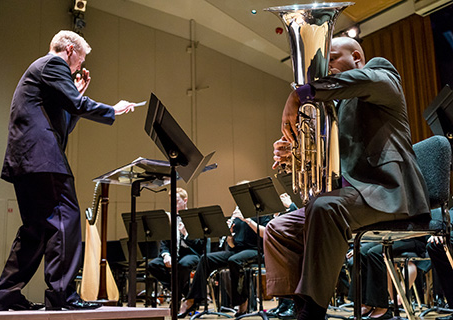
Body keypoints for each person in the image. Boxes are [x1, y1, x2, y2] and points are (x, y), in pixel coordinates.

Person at [264, 36, 430, 320]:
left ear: (356, 57)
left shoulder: (381, 75)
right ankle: (298, 306)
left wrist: (299, 94)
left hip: (390, 192)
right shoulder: (337, 109)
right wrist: (295, 155)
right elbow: (330, 164)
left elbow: (363, 80)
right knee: (279, 227)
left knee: (325, 207)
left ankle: (313, 312)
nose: (325, 69)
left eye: (330, 59)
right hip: (358, 198)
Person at [0, 30, 137, 311]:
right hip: (42, 158)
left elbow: (65, 123)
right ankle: (62, 295)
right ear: (69, 50)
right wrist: (112, 109)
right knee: (65, 220)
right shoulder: (53, 64)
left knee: (36, 230)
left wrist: (77, 96)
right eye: (79, 62)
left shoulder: (44, 75)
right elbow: (74, 104)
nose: (79, 69)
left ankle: (5, 294)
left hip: (27, 161)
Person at [178, 205, 272, 318]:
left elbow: (265, 233)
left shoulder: (261, 213)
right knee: (205, 258)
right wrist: (229, 235)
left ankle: (242, 302)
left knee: (234, 260)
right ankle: (192, 300)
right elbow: (232, 245)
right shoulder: (237, 217)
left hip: (255, 250)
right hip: (237, 251)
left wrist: (247, 220)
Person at [148, 188, 203, 305]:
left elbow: (200, 245)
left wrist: (186, 235)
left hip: (191, 253)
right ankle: (181, 293)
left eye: (177, 201)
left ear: (185, 200)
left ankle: (177, 296)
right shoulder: (169, 219)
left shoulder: (194, 217)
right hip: (174, 254)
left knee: (182, 264)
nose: (174, 204)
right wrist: (166, 255)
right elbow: (164, 243)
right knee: (153, 265)